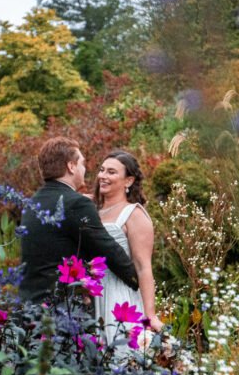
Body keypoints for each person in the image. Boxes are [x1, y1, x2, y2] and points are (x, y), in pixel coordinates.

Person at [18, 137, 139, 304]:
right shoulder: (76, 203)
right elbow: (106, 249)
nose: (86, 168)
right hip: (61, 309)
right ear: (71, 166)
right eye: (82, 163)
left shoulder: (33, 203)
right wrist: (137, 281)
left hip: (30, 304)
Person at [93, 150, 163, 357]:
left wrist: (150, 315)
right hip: (93, 293)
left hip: (119, 296)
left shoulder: (134, 214)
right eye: (102, 170)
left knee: (121, 359)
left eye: (112, 172)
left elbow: (143, 267)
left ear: (128, 180)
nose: (103, 176)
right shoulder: (92, 210)